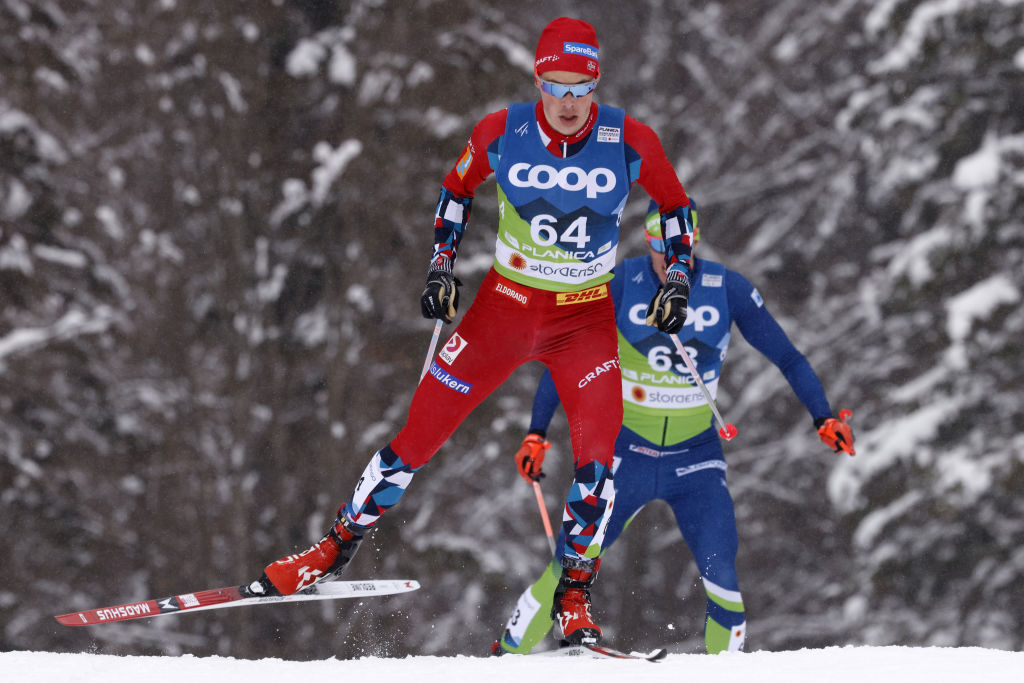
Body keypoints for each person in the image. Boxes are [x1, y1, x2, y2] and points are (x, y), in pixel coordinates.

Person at [243, 17, 698, 646]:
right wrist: (440, 268)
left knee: (598, 463)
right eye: (555, 84)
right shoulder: (502, 131)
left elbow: (675, 206)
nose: (567, 101)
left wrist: (676, 279)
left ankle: (573, 595)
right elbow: (456, 191)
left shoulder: (628, 139)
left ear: (596, 84)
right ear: (538, 81)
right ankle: (332, 549)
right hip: (504, 311)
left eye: (581, 86)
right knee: (415, 440)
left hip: (584, 320)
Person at [491, 199, 855, 655]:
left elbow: (787, 356)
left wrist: (822, 415)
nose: (670, 261)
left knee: (722, 573)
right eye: (662, 249)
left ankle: (727, 667)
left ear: (694, 242)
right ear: (648, 241)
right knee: (572, 562)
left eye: (680, 249)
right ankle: (505, 657)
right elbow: (566, 356)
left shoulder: (728, 289)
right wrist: (536, 432)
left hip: (696, 460)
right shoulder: (623, 281)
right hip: (626, 453)